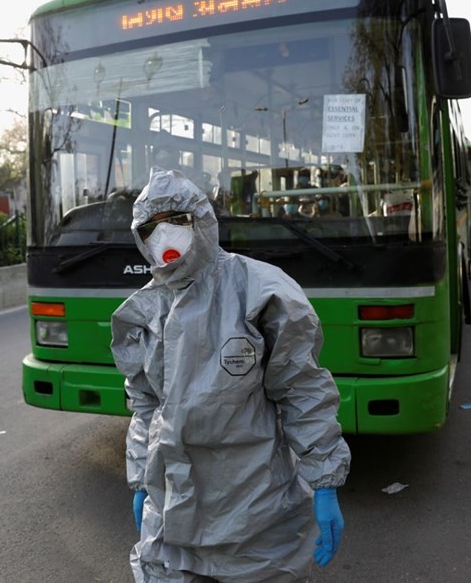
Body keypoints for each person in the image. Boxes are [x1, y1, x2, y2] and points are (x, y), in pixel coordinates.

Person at [111, 167, 351, 582]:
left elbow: (301, 389)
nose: (163, 236)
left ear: (201, 221)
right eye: (151, 227)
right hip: (170, 508)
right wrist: (139, 478)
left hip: (253, 508)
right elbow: (145, 405)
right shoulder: (144, 310)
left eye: (177, 222)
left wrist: (324, 478)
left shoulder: (260, 290)